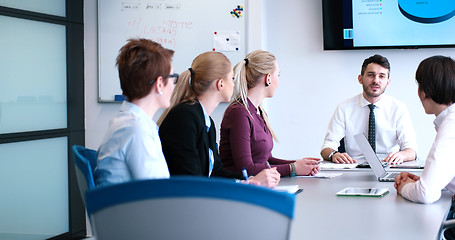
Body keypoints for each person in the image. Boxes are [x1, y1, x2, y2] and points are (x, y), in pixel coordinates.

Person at [158, 51, 280, 188]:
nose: (234, 85)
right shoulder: (185, 118)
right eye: (232, 79)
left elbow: (216, 172)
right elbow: (191, 181)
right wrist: (246, 184)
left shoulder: (206, 121)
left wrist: (250, 181)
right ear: (220, 84)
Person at [219, 50, 320, 177]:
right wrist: (292, 168)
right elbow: (247, 169)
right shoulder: (239, 113)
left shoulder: (258, 112)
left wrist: (299, 164)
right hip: (238, 189)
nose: (278, 80)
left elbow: (266, 160)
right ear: (268, 79)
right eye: (278, 75)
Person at [94, 38, 176, 187]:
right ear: (159, 84)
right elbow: (157, 194)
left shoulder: (130, 120)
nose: (173, 85)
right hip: (133, 209)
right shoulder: (137, 128)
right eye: (172, 78)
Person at [320, 54, 417, 165]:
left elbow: (411, 150)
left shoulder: (398, 109)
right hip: (355, 167)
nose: (376, 81)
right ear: (360, 79)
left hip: (389, 166)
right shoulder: (344, 108)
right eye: (371, 75)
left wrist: (402, 155)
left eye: (382, 76)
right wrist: (334, 154)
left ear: (388, 82)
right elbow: (327, 147)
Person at [395, 55, 455, 204]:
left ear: (424, 90)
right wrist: (419, 183)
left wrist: (403, 187)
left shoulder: (451, 125)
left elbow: (425, 194)